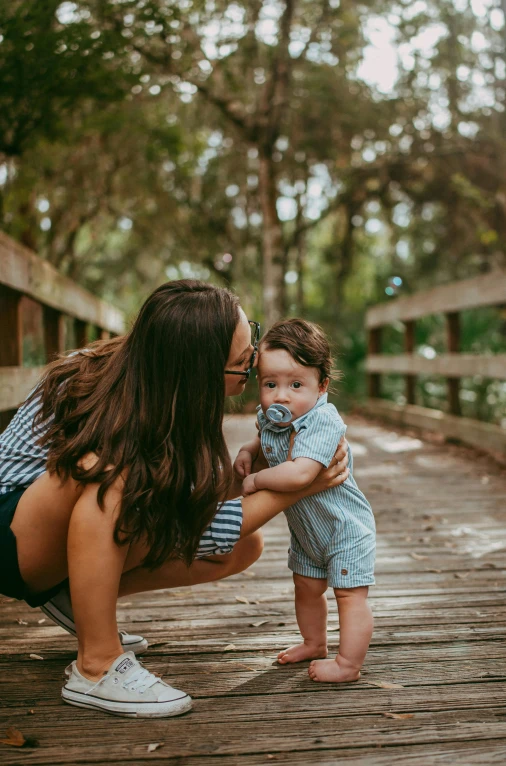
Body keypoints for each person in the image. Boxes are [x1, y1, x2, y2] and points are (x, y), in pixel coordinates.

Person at [0, 281, 350, 718]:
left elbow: (190, 509)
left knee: (245, 546)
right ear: (198, 369)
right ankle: (97, 665)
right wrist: (301, 486)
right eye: (242, 365)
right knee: (106, 469)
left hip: (59, 536)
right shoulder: (105, 389)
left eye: (251, 340)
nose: (253, 365)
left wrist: (264, 469)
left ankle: (78, 596)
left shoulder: (171, 394)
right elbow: (134, 498)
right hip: (13, 533)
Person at [234, 318, 375, 684]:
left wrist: (256, 479)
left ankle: (348, 664)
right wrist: (250, 450)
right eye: (270, 384)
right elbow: (264, 436)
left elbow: (299, 475)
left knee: (349, 596)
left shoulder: (322, 421)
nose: (281, 396)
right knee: (306, 589)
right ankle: (314, 643)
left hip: (345, 529)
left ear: (321, 385)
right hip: (309, 531)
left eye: (296, 384)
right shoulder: (273, 416)